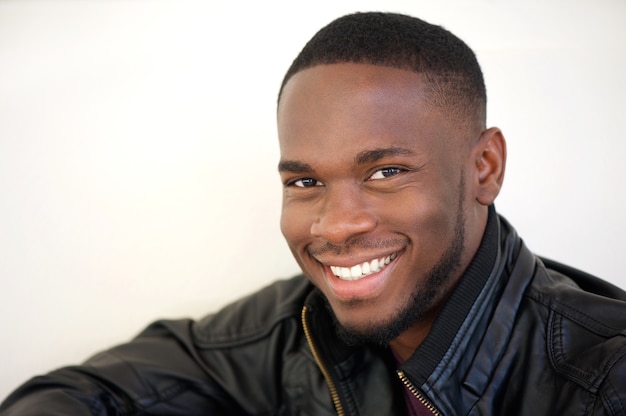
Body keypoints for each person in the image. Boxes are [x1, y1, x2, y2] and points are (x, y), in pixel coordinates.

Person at [1, 11, 625, 416]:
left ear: (484, 168)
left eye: (385, 172)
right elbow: (81, 395)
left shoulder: (604, 378)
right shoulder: (292, 326)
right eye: (305, 181)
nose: (334, 225)